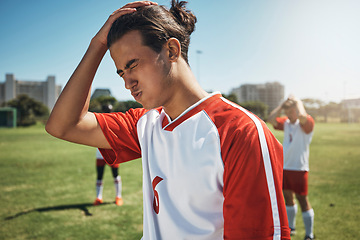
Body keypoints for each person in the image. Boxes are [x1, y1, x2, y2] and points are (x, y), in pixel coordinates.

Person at [46, 1, 290, 239]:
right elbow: (63, 125)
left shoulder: (240, 132)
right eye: (121, 72)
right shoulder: (145, 124)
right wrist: (97, 45)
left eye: (132, 65)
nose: (127, 83)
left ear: (172, 50)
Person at [267, 95, 315, 240]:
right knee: (288, 198)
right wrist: (282, 105)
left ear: (297, 109)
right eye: (287, 111)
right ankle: (291, 227)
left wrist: (298, 102)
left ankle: (309, 234)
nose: (289, 114)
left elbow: (302, 116)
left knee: (303, 200)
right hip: (285, 167)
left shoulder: (306, 122)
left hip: (299, 168)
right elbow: (270, 119)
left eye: (291, 110)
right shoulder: (286, 123)